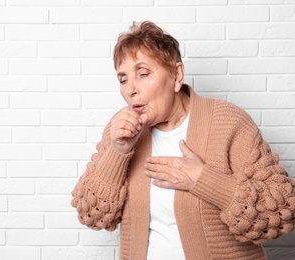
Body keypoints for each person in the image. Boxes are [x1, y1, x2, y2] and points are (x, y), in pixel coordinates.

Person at [71, 21, 295, 260]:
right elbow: (91, 214)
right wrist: (117, 152)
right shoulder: (119, 131)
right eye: (123, 79)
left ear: (176, 75)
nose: (131, 89)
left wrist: (204, 179)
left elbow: (283, 210)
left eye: (143, 74)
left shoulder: (228, 122)